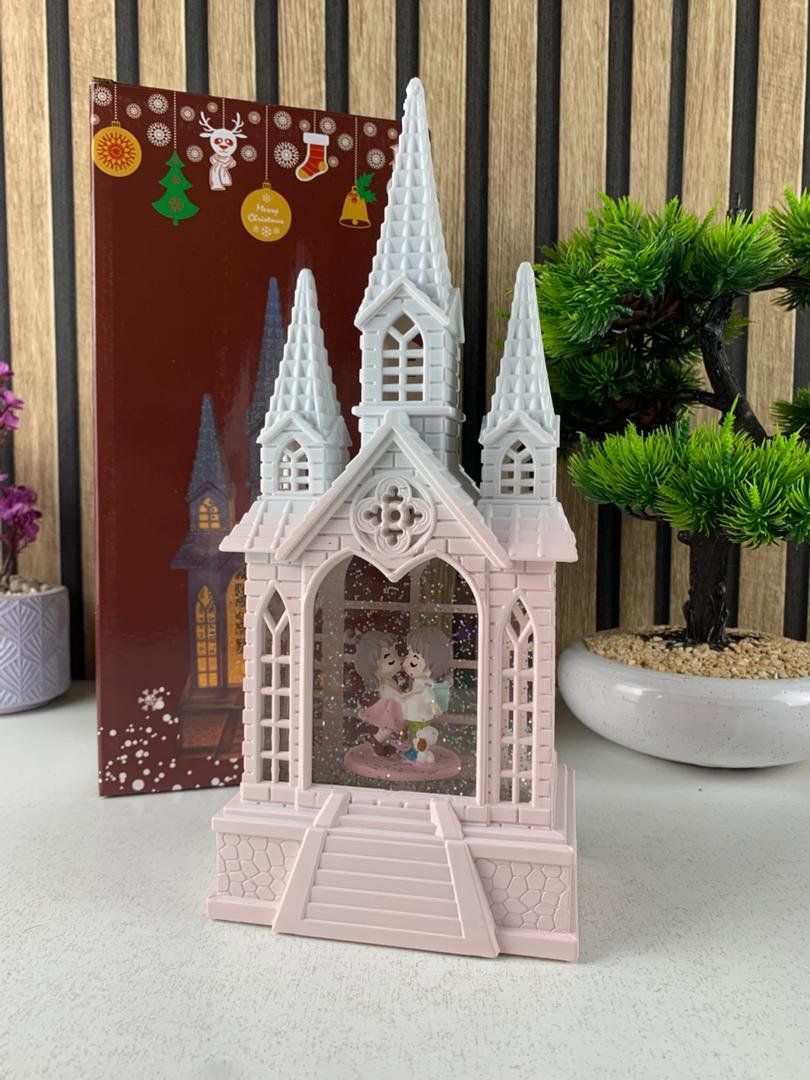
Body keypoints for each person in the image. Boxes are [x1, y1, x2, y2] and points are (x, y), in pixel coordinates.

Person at [354, 631, 405, 757]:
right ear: (374, 667)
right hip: (390, 707)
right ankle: (376, 741)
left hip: (393, 705)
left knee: (390, 728)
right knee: (388, 729)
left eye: (395, 653)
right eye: (390, 659)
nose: (398, 659)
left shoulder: (388, 680)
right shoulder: (383, 683)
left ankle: (387, 744)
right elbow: (394, 694)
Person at [401, 626, 452, 742]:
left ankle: (418, 747)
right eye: (408, 654)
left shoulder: (426, 684)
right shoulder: (420, 681)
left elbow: (428, 694)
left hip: (419, 714)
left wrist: (434, 704)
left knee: (419, 734)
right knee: (415, 733)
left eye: (413, 662)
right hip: (414, 712)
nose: (405, 662)